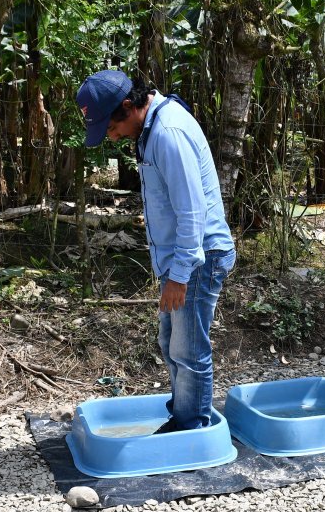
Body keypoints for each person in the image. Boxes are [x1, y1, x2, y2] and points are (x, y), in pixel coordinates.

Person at [76, 71, 235, 433]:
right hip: (180, 259)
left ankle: (192, 430)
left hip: (197, 258)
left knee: (188, 350)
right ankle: (184, 418)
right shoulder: (151, 129)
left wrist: (179, 276)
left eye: (111, 127)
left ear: (128, 106)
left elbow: (192, 212)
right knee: (170, 342)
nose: (112, 136)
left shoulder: (167, 132)